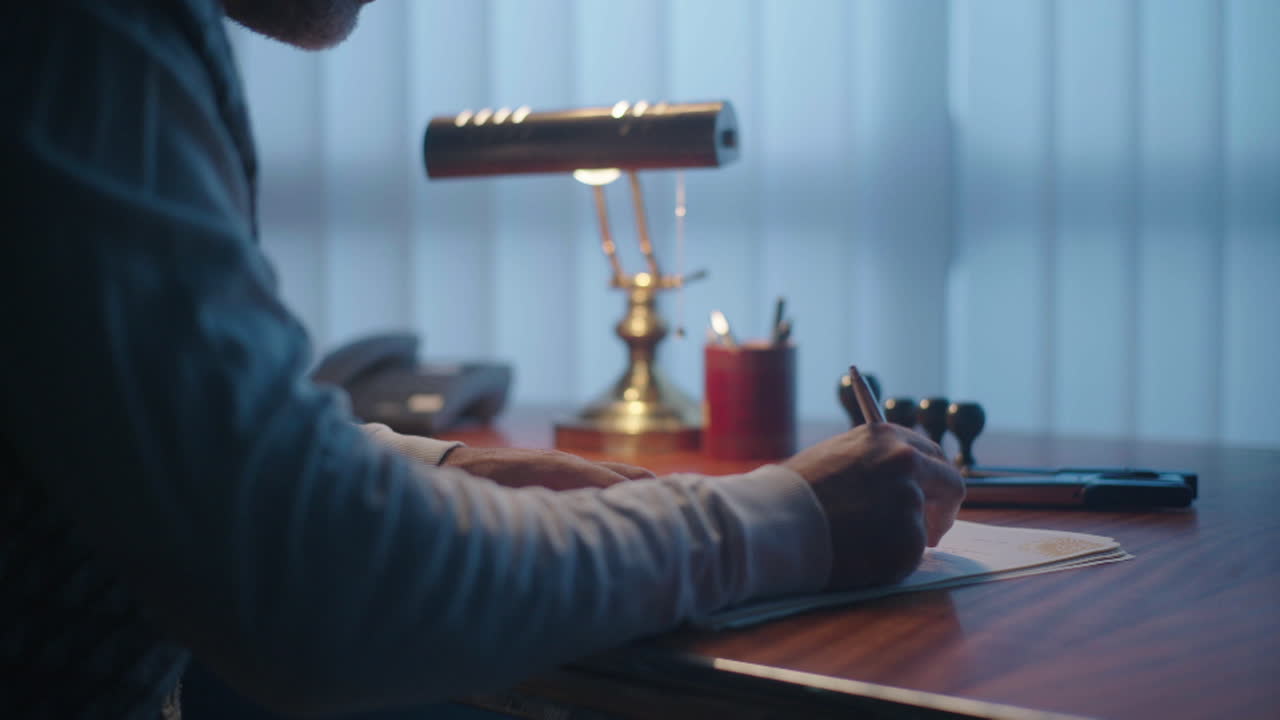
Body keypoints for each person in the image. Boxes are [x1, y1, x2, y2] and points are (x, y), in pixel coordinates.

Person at [0, 1, 965, 718]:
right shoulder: (88, 37)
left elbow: (152, 435)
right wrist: (788, 517)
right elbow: (314, 587)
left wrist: (454, 467)